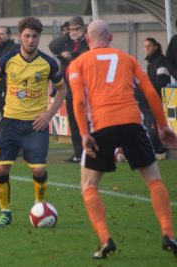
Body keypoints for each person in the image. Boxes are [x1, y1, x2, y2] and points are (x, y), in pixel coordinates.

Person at [68, 19, 177, 259]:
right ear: (110, 38)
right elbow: (150, 92)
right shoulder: (127, 59)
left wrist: (84, 133)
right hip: (131, 122)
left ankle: (105, 240)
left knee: (89, 185)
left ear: (87, 39)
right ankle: (169, 233)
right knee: (154, 180)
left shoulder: (78, 63)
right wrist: (162, 127)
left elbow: (78, 101)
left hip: (101, 125)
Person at [0, 17, 67, 228]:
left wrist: (48, 115)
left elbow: (62, 90)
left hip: (35, 125)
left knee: (38, 171)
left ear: (39, 37)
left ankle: (39, 206)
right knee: (1, 169)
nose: (31, 40)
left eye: (35, 36)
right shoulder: (7, 59)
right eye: (27, 36)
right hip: (10, 123)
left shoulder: (48, 63)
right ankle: (5, 212)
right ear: (20, 37)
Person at [49, 16, 89, 163]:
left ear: (83, 29)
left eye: (77, 29)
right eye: (71, 29)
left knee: (86, 120)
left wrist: (72, 56)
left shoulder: (89, 41)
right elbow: (52, 47)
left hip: (85, 87)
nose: (74, 32)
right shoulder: (67, 41)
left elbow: (87, 57)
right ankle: (78, 153)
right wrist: (67, 35)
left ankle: (89, 151)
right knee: (73, 121)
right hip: (70, 87)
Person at [140, 37, 170, 159]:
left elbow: (162, 81)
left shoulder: (161, 61)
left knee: (153, 125)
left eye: (149, 46)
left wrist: (147, 91)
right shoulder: (151, 63)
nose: (146, 48)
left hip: (157, 99)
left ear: (156, 46)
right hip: (152, 98)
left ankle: (159, 150)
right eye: (145, 46)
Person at [0, 26, 20, 116]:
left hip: (13, 88)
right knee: (3, 115)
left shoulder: (16, 48)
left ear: (9, 36)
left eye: (2, 34)